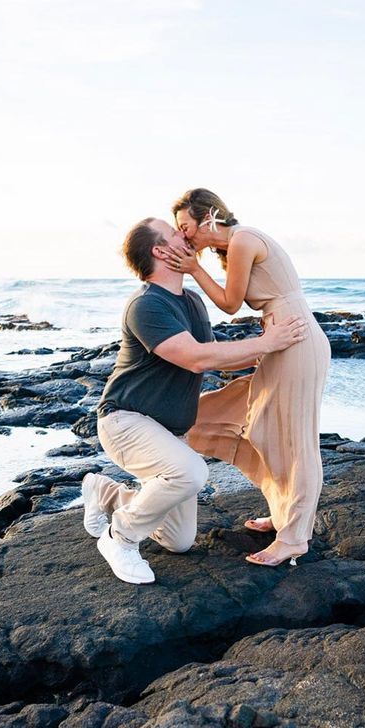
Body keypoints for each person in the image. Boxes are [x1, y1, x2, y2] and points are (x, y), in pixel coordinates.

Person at [82, 215, 306, 585]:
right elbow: (195, 358)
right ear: (160, 251)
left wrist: (271, 356)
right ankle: (119, 537)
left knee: (179, 541)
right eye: (174, 232)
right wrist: (267, 342)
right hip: (125, 421)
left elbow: (214, 356)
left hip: (170, 433)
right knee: (191, 472)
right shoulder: (146, 305)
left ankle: (107, 493)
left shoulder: (193, 301)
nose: (184, 234)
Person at [159, 188, 331, 568]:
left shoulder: (243, 240)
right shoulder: (234, 246)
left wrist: (194, 269)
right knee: (265, 428)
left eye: (185, 226)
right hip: (281, 340)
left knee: (297, 440)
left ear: (208, 217)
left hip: (296, 341)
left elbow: (230, 303)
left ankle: (293, 538)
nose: (183, 234)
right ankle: (284, 514)